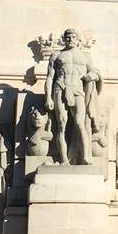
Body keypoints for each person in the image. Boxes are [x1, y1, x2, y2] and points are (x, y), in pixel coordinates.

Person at [44, 29, 102, 165]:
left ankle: (86, 156)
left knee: (80, 123)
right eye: (68, 37)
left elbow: (95, 72)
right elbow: (49, 78)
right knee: (61, 125)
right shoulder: (56, 55)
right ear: (64, 39)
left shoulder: (85, 57)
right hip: (60, 88)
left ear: (78, 40)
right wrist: (48, 97)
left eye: (73, 37)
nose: (70, 39)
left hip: (77, 90)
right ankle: (64, 159)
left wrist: (93, 76)